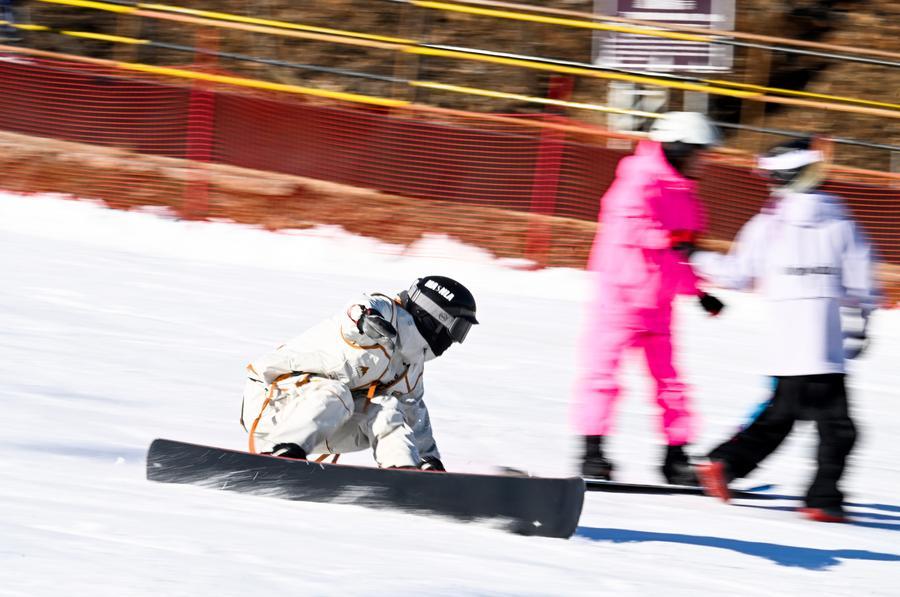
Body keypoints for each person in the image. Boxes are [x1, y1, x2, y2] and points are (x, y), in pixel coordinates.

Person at [687, 138, 879, 522]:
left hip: (787, 341)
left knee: (784, 415)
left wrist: (694, 255)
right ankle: (822, 498)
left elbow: (737, 274)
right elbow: (862, 284)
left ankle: (727, 463)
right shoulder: (842, 223)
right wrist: (859, 325)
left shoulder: (767, 224)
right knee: (836, 428)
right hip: (825, 343)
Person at [575, 112, 725, 485]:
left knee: (670, 383)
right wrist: (671, 239)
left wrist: (698, 292)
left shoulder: (686, 194)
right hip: (620, 298)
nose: (704, 161)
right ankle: (592, 453)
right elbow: (629, 227)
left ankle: (675, 458)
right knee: (603, 377)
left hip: (659, 303)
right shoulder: (637, 179)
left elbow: (681, 253)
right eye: (699, 153)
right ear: (677, 149)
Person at [240, 275, 478, 470]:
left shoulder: (412, 367)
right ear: (435, 316)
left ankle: (405, 472)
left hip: (323, 423)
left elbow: (414, 414)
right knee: (337, 393)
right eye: (459, 328)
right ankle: (280, 453)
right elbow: (358, 308)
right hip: (271, 400)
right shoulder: (388, 314)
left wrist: (428, 459)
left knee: (387, 408)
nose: (457, 340)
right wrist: (366, 318)